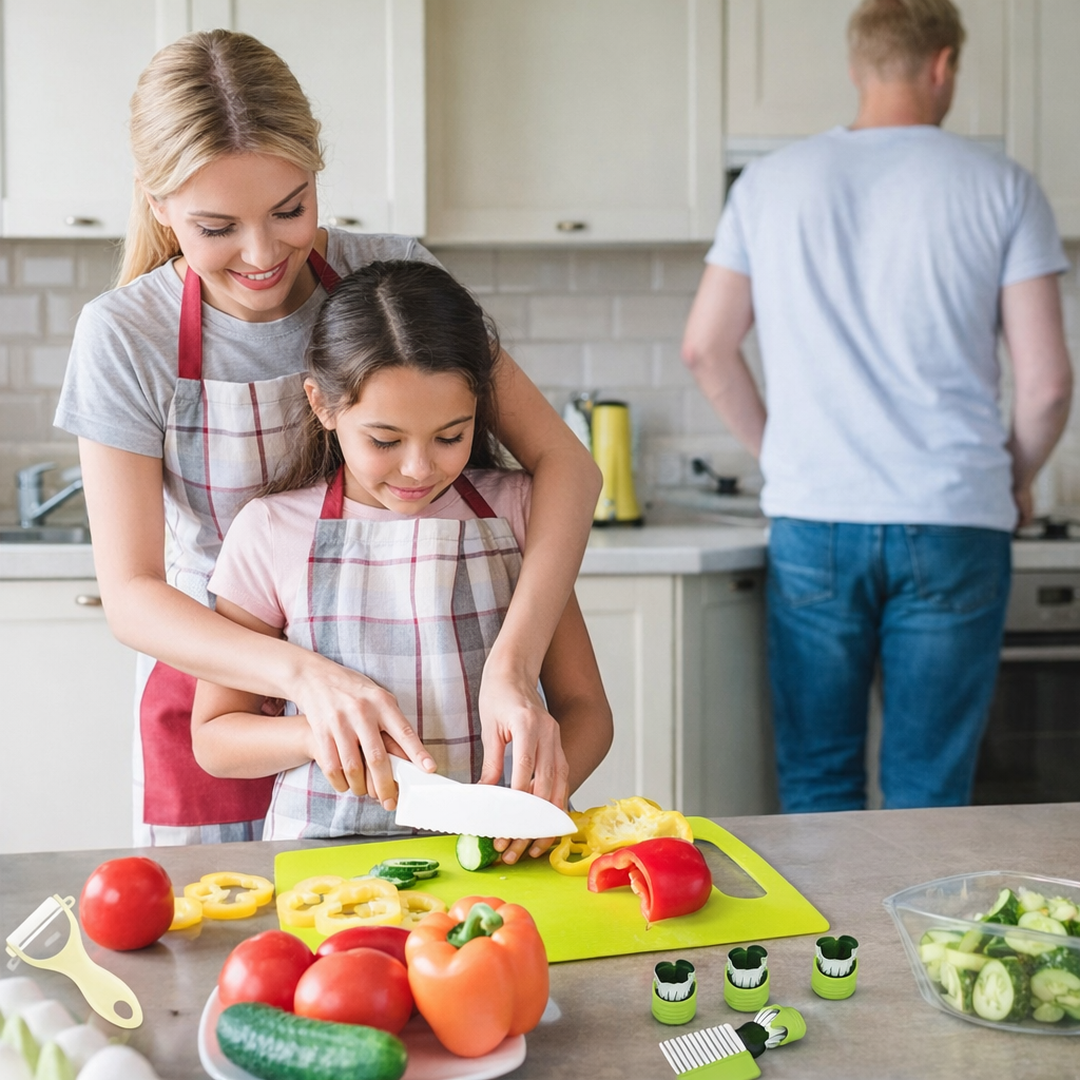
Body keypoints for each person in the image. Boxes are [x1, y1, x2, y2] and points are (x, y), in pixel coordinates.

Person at [54, 30, 602, 847]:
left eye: (291, 209)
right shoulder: (124, 335)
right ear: (157, 203)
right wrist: (306, 680)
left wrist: (513, 664)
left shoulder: (390, 279)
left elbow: (565, 464)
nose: (264, 252)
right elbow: (133, 595)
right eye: (217, 227)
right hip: (229, 697)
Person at [681, 0, 1073, 812]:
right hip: (956, 518)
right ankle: (921, 944)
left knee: (818, 776)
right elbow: (1047, 385)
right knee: (930, 786)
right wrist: (1016, 475)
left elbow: (706, 350)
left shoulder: (770, 183)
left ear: (858, 68)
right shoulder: (1003, 187)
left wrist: (776, 453)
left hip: (815, 519)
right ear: (942, 66)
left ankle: (833, 946)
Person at [191, 260, 613, 848]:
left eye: (451, 436)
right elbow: (214, 738)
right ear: (323, 405)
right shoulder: (271, 530)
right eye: (384, 440)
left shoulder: (521, 514)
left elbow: (585, 706)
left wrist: (540, 793)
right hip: (325, 858)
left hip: (497, 851)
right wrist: (312, 737)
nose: (419, 469)